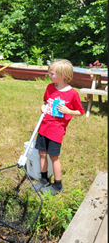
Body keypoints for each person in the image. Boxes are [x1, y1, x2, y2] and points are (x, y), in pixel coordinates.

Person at [33, 59, 85, 195]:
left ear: (63, 76)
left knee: (53, 156)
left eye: (52, 73)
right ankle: (44, 180)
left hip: (56, 130)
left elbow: (80, 112)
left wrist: (68, 111)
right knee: (42, 153)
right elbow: (45, 102)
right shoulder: (50, 87)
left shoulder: (73, 94)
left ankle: (57, 185)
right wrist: (42, 107)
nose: (48, 75)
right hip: (44, 126)